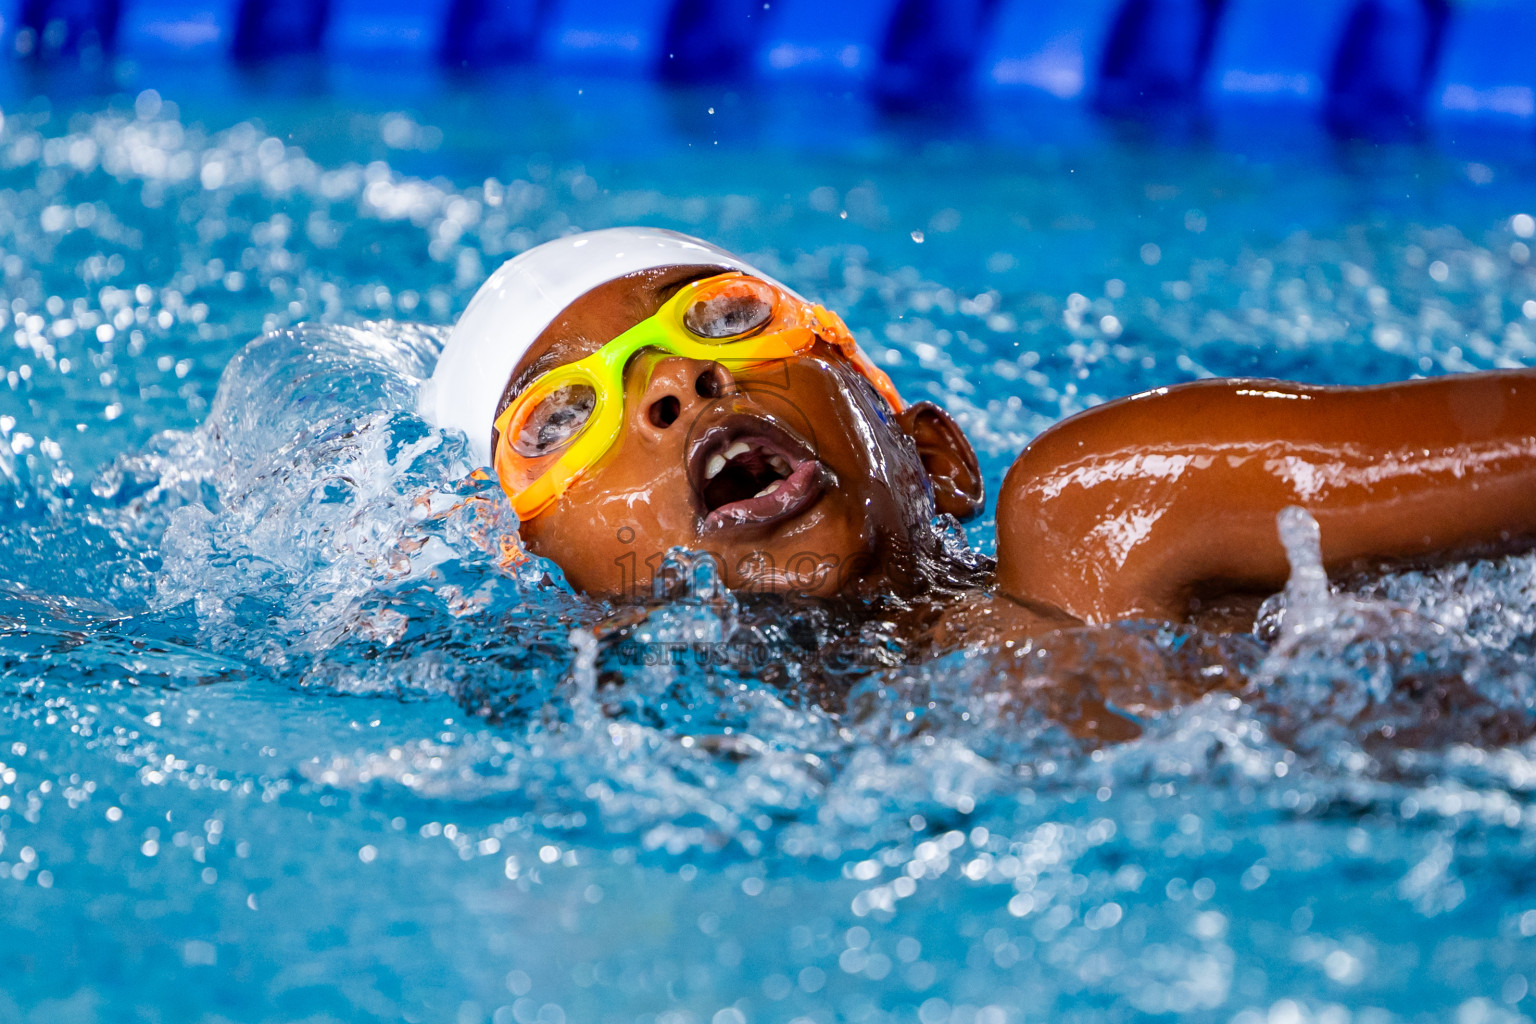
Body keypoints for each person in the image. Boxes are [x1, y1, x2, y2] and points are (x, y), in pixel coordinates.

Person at [422, 227, 1536, 705]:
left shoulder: (1110, 520)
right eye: (563, 414)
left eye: (722, 321)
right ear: (548, 596)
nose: (672, 388)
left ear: (934, 457)